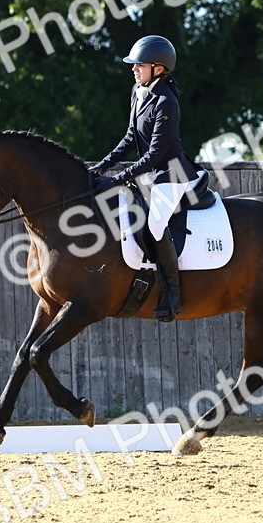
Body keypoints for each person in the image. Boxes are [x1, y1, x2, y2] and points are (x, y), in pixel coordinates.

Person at [90, 35, 200, 322]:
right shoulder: (138, 92)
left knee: (153, 225)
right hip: (150, 174)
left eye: (140, 65)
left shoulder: (166, 102)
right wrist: (101, 167)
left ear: (159, 68)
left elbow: (153, 155)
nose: (134, 69)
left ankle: (173, 295)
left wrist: (120, 177)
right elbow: (129, 137)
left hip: (171, 173)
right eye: (134, 64)